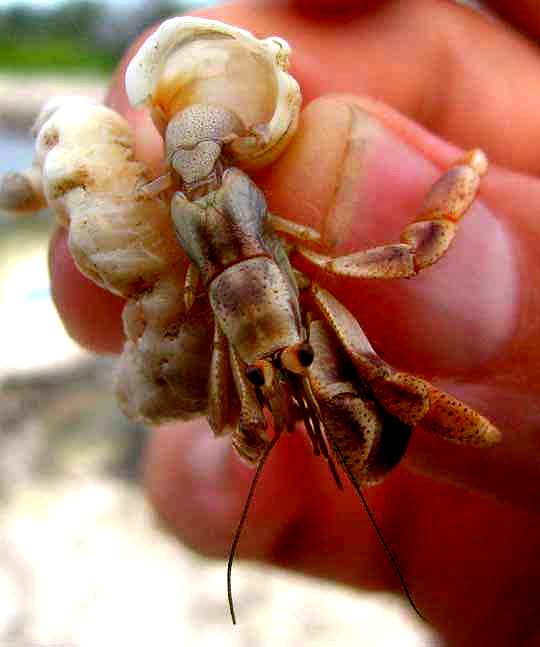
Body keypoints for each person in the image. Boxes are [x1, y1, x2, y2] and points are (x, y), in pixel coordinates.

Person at [48, 1, 540, 644]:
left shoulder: (230, 311)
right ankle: (466, 174)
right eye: (301, 358)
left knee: (390, 306)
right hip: (242, 253)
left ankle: (466, 173)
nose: (297, 359)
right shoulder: (247, 297)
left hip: (236, 241)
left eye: (296, 360)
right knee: (374, 353)